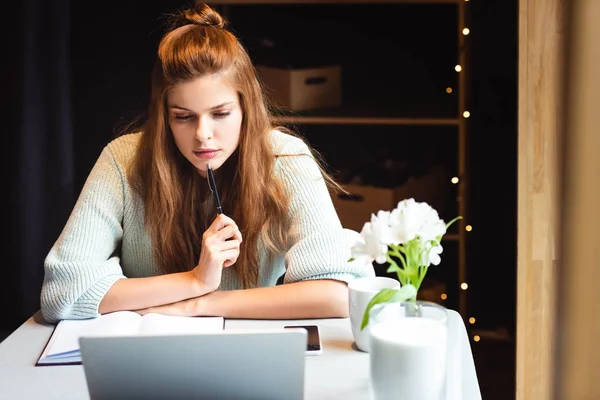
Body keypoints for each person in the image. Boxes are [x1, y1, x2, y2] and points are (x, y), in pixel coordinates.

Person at [40, 2, 374, 324]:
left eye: (220, 114)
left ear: (247, 108)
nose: (203, 135)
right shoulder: (122, 160)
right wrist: (195, 281)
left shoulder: (285, 159)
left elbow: (337, 293)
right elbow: (63, 293)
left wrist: (200, 304)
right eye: (183, 117)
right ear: (163, 116)